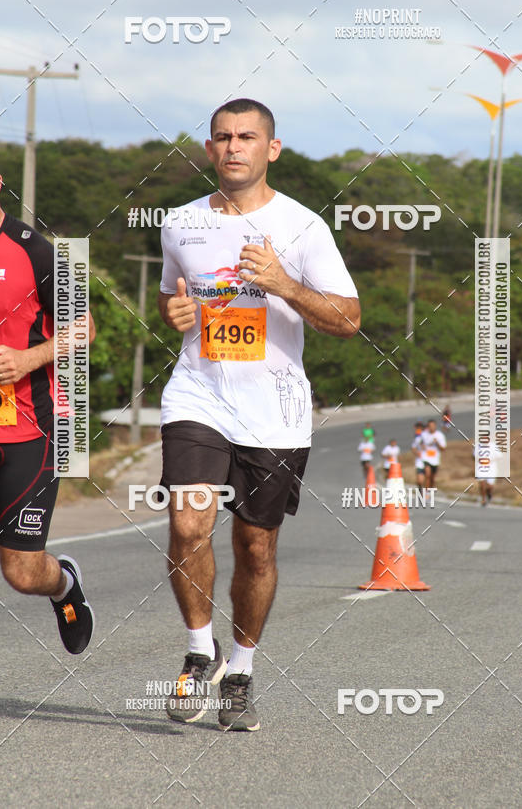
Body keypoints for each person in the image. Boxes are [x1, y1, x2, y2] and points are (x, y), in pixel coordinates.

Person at [158, 98, 360, 731]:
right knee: (190, 524)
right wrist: (174, 314)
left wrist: (283, 284)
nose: (233, 147)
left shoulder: (302, 228)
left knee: (256, 546)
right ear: (209, 148)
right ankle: (198, 653)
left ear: (272, 149)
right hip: (198, 394)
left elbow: (349, 320)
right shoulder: (179, 223)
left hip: (273, 410)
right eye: (222, 137)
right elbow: (172, 294)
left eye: (247, 137)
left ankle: (240, 666)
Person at [0, 140, 95, 655]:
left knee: (22, 571)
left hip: (30, 432)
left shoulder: (36, 250)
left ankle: (65, 583)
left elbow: (85, 328)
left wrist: (30, 359)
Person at [420, 418, 447, 490]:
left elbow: (443, 449)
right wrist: (422, 446)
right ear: (428, 427)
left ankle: (430, 489)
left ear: (435, 426)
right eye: (430, 426)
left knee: (432, 477)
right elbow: (420, 442)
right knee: (427, 475)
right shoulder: (424, 434)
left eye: (433, 426)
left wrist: (437, 443)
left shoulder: (440, 435)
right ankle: (426, 492)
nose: (431, 427)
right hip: (426, 458)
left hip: (435, 459)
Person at [411, 421, 426, 493]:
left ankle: (427, 492)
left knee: (428, 477)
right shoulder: (417, 438)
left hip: (429, 461)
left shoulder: (430, 437)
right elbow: (413, 448)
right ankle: (420, 490)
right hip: (420, 461)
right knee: (419, 480)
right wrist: (417, 453)